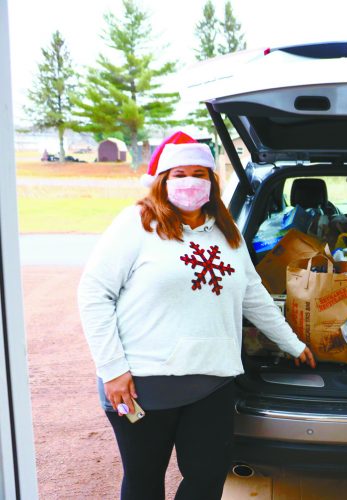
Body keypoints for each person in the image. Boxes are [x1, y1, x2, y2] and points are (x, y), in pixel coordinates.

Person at [78, 131, 316, 500]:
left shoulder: (226, 231)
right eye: (179, 174)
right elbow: (94, 294)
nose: (190, 181)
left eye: (199, 174)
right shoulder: (137, 224)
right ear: (162, 181)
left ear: (211, 181)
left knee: (206, 481)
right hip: (143, 385)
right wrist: (112, 370)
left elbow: (254, 295)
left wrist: (292, 343)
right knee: (144, 483)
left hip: (212, 383)